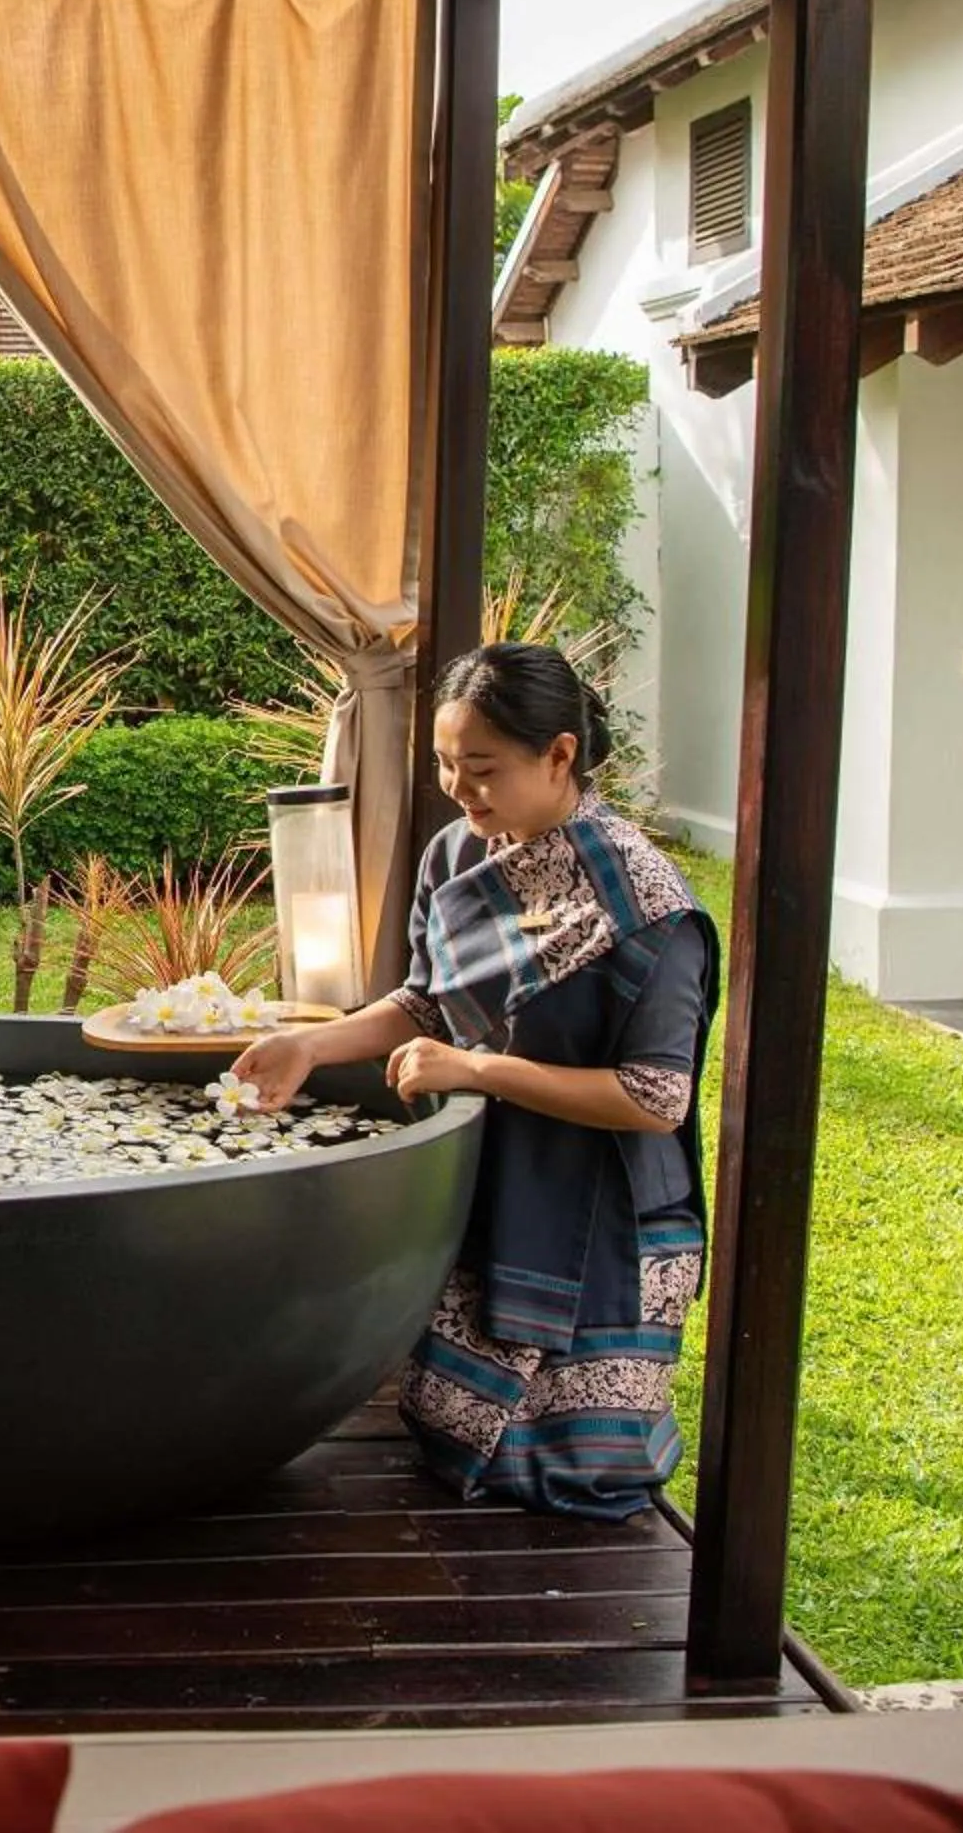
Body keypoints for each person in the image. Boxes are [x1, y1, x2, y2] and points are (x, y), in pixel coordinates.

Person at [232, 642, 715, 1520]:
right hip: (498, 1172)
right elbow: (427, 1004)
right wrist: (314, 1047)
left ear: (561, 755)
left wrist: (477, 1071)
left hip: (608, 1202)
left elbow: (654, 1099)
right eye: (447, 765)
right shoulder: (460, 856)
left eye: (482, 768)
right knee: (447, 1434)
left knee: (577, 1478)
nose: (459, 789)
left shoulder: (644, 904)